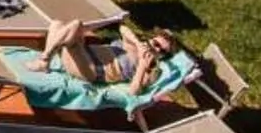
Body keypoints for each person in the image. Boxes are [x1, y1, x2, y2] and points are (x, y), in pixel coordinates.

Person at [36, 19, 179, 86]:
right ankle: (46, 60)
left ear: (163, 56)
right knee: (57, 24)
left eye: (162, 51)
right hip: (82, 54)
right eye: (156, 44)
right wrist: (137, 43)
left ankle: (45, 59)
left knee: (76, 25)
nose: (157, 49)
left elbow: (133, 91)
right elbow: (123, 27)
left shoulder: (152, 69)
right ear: (150, 40)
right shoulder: (134, 45)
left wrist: (142, 65)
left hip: (90, 70)